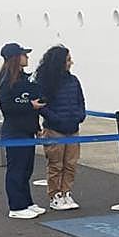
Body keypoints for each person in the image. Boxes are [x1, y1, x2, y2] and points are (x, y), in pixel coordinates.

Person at [0, 43, 45, 219]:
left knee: (26, 169)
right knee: (16, 169)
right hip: (14, 131)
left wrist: (37, 126)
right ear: (16, 57)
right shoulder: (6, 79)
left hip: (27, 130)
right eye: (24, 54)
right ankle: (16, 206)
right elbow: (7, 106)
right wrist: (29, 105)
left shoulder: (24, 78)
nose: (27, 57)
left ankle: (27, 202)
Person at [34, 45, 86, 211]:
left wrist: (80, 116)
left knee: (71, 163)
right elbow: (41, 105)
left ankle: (66, 192)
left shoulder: (73, 80)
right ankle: (55, 194)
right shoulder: (45, 81)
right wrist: (55, 119)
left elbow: (80, 100)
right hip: (54, 129)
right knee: (55, 164)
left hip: (73, 127)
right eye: (68, 60)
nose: (71, 63)